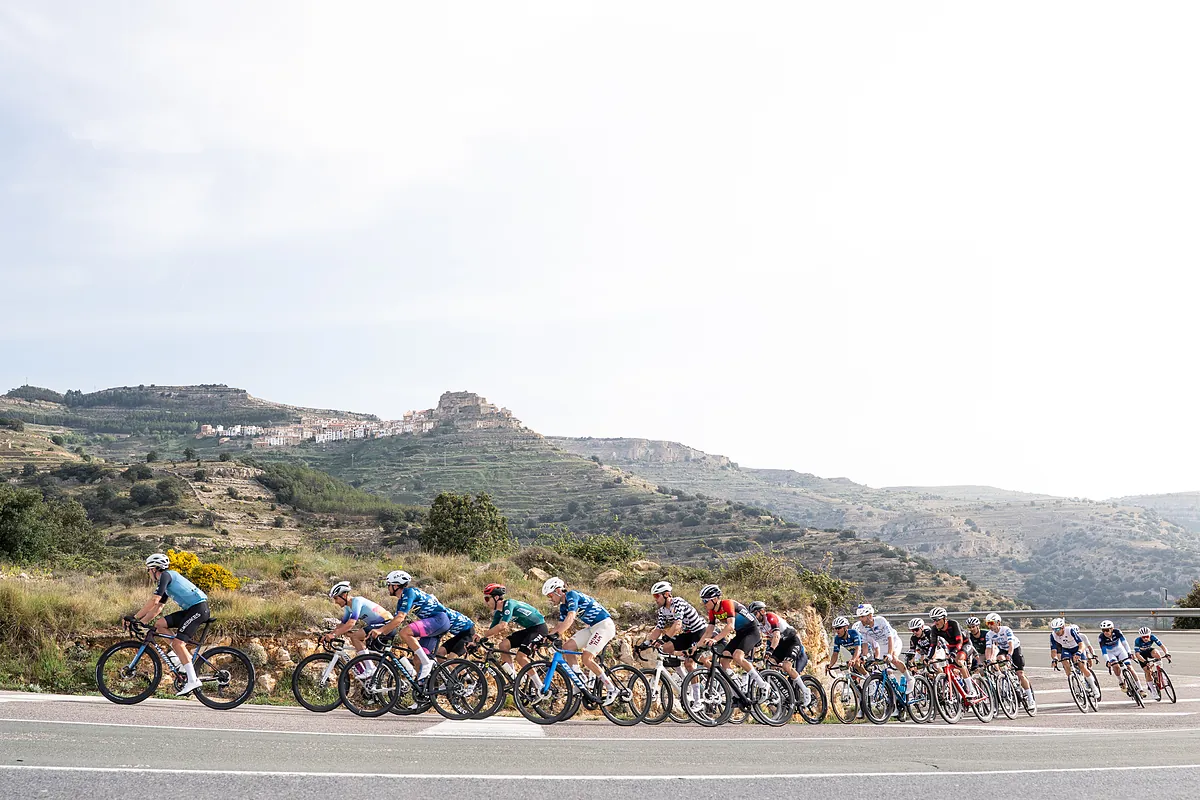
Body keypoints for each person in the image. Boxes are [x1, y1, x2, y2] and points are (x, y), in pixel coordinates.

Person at [132, 553, 210, 696]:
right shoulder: (167, 581)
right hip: (191, 610)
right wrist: (141, 622)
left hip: (198, 609)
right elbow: (158, 608)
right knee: (160, 624)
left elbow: (154, 601)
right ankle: (180, 658)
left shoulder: (166, 576)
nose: (148, 573)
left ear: (154, 569)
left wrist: (134, 617)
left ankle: (192, 680)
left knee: (179, 643)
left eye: (148, 570)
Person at [542, 577, 618, 703]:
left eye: (550, 595)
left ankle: (611, 688)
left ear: (558, 591)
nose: (550, 599)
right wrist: (546, 638)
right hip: (592, 627)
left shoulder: (572, 595)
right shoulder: (563, 607)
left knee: (586, 658)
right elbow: (559, 626)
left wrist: (557, 634)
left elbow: (571, 617)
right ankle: (580, 678)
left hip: (604, 625)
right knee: (567, 647)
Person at [367, 570, 451, 680]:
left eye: (389, 585)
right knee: (417, 659)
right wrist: (381, 634)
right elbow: (395, 622)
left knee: (405, 632)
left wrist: (380, 630)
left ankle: (427, 662)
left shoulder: (409, 592)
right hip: (434, 624)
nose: (388, 588)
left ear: (396, 586)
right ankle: (425, 686)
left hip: (439, 620)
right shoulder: (401, 601)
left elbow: (400, 618)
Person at [697, 584, 765, 694]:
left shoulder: (727, 604)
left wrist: (715, 639)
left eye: (705, 601)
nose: (703, 603)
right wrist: (696, 647)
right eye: (703, 601)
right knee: (724, 659)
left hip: (752, 631)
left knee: (737, 656)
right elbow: (708, 632)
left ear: (715, 599)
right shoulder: (712, 611)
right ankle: (737, 688)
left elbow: (730, 626)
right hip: (740, 633)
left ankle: (762, 684)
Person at [322, 580, 394, 678]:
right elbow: (342, 625)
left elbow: (351, 623)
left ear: (344, 595)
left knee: (355, 637)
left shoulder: (357, 601)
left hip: (386, 624)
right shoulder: (348, 608)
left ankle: (371, 669)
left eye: (336, 598)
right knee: (362, 653)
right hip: (377, 626)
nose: (335, 602)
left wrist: (334, 635)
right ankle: (371, 679)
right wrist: (329, 635)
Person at [478, 583, 548, 678]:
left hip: (540, 628)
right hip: (530, 629)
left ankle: (539, 685)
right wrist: (480, 639)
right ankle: (514, 678)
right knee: (503, 645)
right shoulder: (499, 613)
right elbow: (491, 631)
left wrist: (483, 635)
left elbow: (503, 626)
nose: (485, 602)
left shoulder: (509, 604)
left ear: (496, 597)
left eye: (487, 599)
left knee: (520, 657)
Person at [750, 601, 812, 706]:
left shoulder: (770, 617)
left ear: (762, 611)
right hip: (780, 645)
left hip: (792, 642)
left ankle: (805, 690)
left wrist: (770, 650)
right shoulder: (758, 625)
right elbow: (757, 641)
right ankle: (782, 690)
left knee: (787, 666)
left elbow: (776, 636)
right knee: (770, 664)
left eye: (755, 613)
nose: (754, 616)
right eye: (752, 614)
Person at [640, 581, 706, 675]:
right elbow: (658, 628)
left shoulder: (677, 602)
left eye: (657, 596)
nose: (655, 599)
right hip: (688, 634)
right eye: (654, 596)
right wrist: (645, 644)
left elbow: (678, 624)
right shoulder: (662, 610)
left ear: (666, 594)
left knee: (689, 663)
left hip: (699, 631)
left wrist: (664, 639)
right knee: (667, 648)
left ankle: (701, 683)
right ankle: (684, 678)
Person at [984, 612, 1033, 707]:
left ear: (998, 622)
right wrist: (988, 660)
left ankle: (1031, 699)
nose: (989, 626)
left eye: (991, 623)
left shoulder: (1006, 630)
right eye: (987, 624)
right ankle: (1007, 675)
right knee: (1000, 658)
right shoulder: (989, 634)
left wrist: (1010, 655)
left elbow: (1011, 644)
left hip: (1015, 648)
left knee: (1020, 674)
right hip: (1003, 649)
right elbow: (988, 648)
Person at [930, 607, 978, 697]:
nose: (936, 622)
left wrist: (954, 652)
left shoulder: (953, 624)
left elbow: (959, 641)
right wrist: (929, 658)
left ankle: (972, 690)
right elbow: (933, 646)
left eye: (938, 619)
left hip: (964, 644)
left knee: (958, 660)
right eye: (934, 620)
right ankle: (959, 687)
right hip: (952, 646)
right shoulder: (934, 629)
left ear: (944, 618)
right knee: (948, 667)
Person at [1049, 616, 1099, 699]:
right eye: (1054, 629)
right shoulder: (1053, 635)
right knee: (1065, 662)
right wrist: (1054, 659)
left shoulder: (1070, 630)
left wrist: (1079, 652)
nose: (1056, 631)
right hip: (1066, 649)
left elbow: (1081, 644)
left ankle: (1094, 687)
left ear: (1063, 627)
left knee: (1082, 666)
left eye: (1057, 629)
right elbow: (1053, 650)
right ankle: (1075, 684)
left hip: (1077, 648)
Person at [1097, 620, 1144, 696]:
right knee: (1115, 666)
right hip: (1110, 653)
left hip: (1120, 650)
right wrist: (1107, 661)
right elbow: (1104, 651)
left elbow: (1125, 643)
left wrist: (1129, 653)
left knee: (1130, 667)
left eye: (1107, 630)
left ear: (1112, 629)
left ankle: (1140, 689)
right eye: (1103, 630)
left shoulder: (1117, 632)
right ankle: (1121, 682)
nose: (1105, 632)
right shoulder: (1101, 637)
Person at [1132, 626, 1172, 701]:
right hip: (1141, 655)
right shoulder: (1137, 641)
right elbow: (1137, 654)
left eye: (1147, 636)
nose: (1145, 638)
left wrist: (1167, 653)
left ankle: (1160, 673)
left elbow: (1162, 646)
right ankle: (1153, 691)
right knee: (1147, 671)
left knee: (1157, 654)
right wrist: (1144, 661)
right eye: (1143, 637)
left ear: (1149, 635)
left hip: (1149, 651)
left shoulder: (1153, 637)